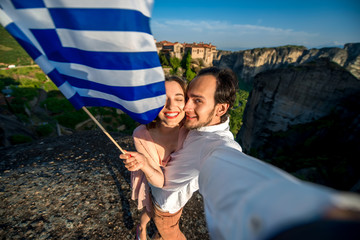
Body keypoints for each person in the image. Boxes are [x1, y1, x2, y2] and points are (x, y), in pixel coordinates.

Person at [122, 67, 360, 240]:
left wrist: (298, 215)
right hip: (163, 193)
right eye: (188, 98)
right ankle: (143, 227)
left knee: (165, 226)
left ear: (222, 107)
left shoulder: (212, 144)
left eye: (196, 100)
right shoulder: (188, 125)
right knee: (148, 209)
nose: (183, 107)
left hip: (171, 199)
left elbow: (228, 162)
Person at [129, 76, 188, 240]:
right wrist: (144, 164)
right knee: (151, 205)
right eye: (163, 100)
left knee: (153, 209)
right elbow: (158, 181)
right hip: (153, 178)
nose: (171, 106)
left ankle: (146, 227)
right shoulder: (141, 134)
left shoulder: (192, 132)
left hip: (175, 190)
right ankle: (141, 227)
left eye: (179, 98)